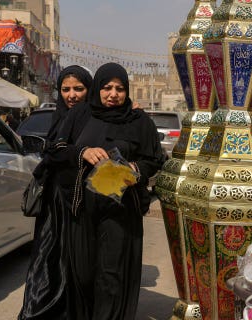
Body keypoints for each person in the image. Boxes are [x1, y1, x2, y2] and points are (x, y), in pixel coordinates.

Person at [46, 62, 164, 319]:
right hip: (82, 209)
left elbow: (154, 159)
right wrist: (82, 152)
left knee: (111, 275)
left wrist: (136, 167)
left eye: (120, 89)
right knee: (83, 272)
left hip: (120, 210)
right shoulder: (80, 115)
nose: (113, 94)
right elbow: (54, 150)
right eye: (107, 88)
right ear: (98, 87)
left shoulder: (139, 120)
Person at [19, 65, 93, 320]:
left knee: (79, 261)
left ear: (90, 90)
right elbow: (51, 152)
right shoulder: (58, 117)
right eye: (66, 89)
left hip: (83, 200)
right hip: (55, 202)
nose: (71, 95)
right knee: (48, 256)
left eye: (78, 89)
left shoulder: (96, 118)